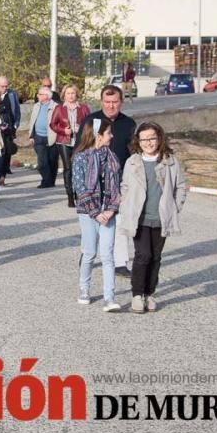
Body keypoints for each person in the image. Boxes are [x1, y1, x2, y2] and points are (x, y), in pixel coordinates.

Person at [118, 123, 187, 314]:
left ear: (159, 138)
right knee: (143, 256)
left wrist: (175, 206)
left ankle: (150, 293)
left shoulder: (170, 161)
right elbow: (125, 186)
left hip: (161, 217)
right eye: (144, 139)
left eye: (152, 138)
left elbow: (180, 186)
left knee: (156, 257)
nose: (148, 142)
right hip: (139, 217)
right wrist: (125, 206)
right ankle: (137, 295)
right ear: (138, 141)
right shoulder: (132, 162)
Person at [79, 85, 137, 276]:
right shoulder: (92, 120)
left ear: (121, 102)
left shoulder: (128, 124)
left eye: (115, 102)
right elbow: (81, 149)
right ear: (101, 102)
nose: (111, 106)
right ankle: (87, 252)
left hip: (119, 181)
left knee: (119, 222)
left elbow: (134, 154)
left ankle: (120, 262)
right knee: (94, 220)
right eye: (107, 102)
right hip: (93, 181)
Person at [72, 117, 122, 312]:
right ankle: (84, 289)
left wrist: (111, 209)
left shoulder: (113, 159)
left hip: (108, 213)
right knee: (90, 253)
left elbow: (117, 187)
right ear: (98, 135)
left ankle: (110, 297)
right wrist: (95, 212)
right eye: (108, 133)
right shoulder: (80, 158)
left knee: (108, 255)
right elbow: (80, 188)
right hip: (88, 213)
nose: (112, 136)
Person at [49, 84, 91, 208]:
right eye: (68, 93)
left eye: (73, 93)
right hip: (63, 141)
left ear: (76, 94)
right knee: (68, 168)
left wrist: (82, 129)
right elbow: (53, 124)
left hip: (79, 142)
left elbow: (90, 123)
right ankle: (70, 197)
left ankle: (79, 194)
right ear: (64, 95)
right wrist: (63, 130)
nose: (71, 95)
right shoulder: (59, 108)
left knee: (79, 168)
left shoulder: (83, 108)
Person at [26, 86, 60, 189]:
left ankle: (51, 181)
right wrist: (31, 135)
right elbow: (33, 121)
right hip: (39, 137)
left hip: (52, 137)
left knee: (52, 161)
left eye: (40, 94)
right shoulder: (37, 106)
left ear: (47, 96)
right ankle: (46, 180)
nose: (37, 96)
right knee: (42, 162)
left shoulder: (56, 107)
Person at [0, 76, 21, 184]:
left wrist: (15, 125)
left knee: (7, 154)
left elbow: (17, 111)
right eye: (2, 86)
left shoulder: (11, 94)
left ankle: (2, 176)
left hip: (9, 129)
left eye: (6, 86)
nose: (4, 88)